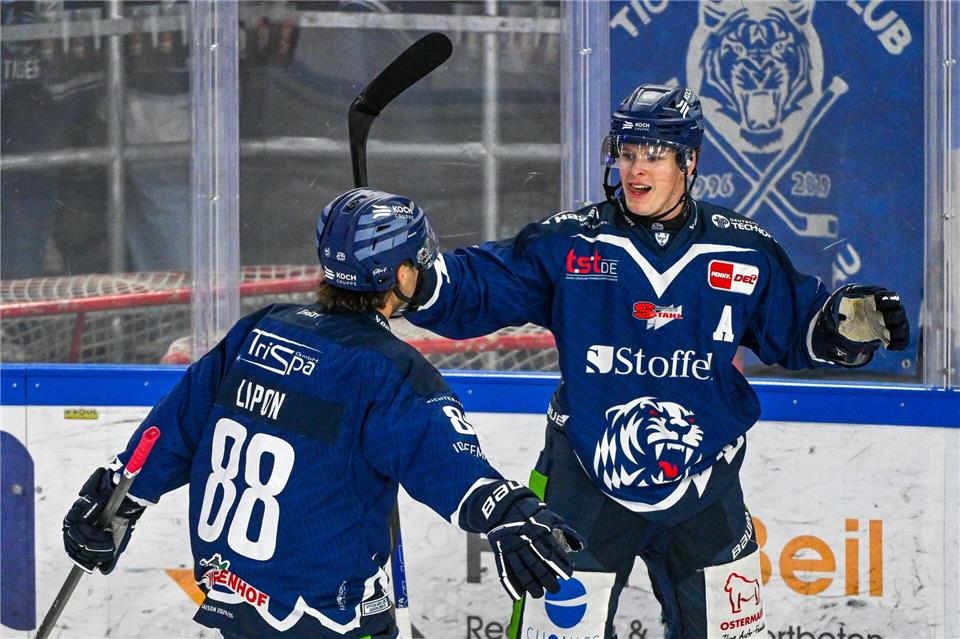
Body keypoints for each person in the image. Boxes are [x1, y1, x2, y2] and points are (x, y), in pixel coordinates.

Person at [405, 85, 910, 639]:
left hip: (705, 483)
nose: (635, 170)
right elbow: (477, 285)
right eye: (626, 154)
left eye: (653, 155)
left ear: (689, 161)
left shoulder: (742, 249)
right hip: (585, 476)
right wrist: (412, 276)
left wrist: (845, 323)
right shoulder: (571, 243)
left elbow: (798, 327)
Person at [60, 187, 584, 639]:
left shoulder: (260, 329)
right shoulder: (387, 369)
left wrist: (118, 498)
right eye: (418, 259)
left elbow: (174, 427)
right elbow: (449, 466)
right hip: (327, 614)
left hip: (234, 598)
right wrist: (508, 512)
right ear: (401, 273)